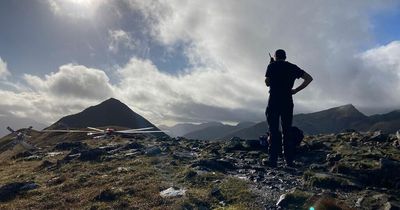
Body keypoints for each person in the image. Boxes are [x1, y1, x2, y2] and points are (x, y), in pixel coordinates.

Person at [264, 49, 313, 167]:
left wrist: (271, 65)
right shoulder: (292, 67)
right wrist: (296, 90)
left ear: (275, 57)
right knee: (287, 130)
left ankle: (273, 160)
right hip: (287, 101)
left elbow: (267, 83)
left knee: (273, 130)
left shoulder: (272, 66)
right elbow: (309, 78)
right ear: (285, 57)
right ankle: (289, 160)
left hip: (274, 100)